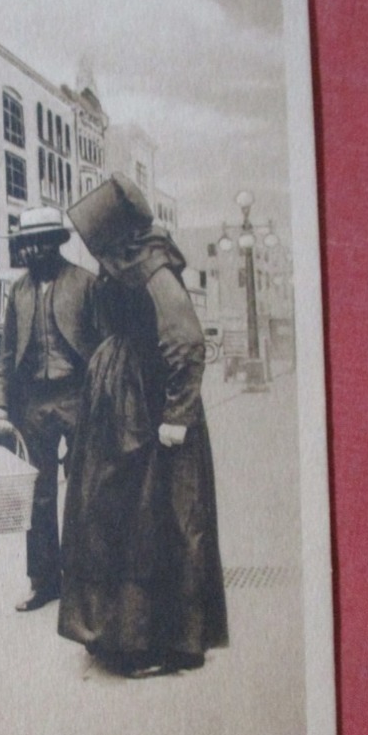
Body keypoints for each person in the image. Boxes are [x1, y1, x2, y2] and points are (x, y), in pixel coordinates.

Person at [60, 174, 228, 678]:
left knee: (160, 522)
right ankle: (122, 633)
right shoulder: (128, 265)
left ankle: (165, 641)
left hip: (151, 413)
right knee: (118, 517)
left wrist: (175, 417)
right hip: (123, 410)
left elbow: (186, 341)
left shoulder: (153, 267)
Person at [0, 207, 103, 612]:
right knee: (37, 494)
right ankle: (43, 581)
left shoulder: (86, 284)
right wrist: (0, 406)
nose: (32, 251)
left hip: (77, 397)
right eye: (25, 244)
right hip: (33, 403)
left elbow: (104, 349)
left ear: (56, 242)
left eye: (40, 242)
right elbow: (6, 355)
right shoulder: (18, 291)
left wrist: (101, 399)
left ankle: (85, 578)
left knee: (84, 490)